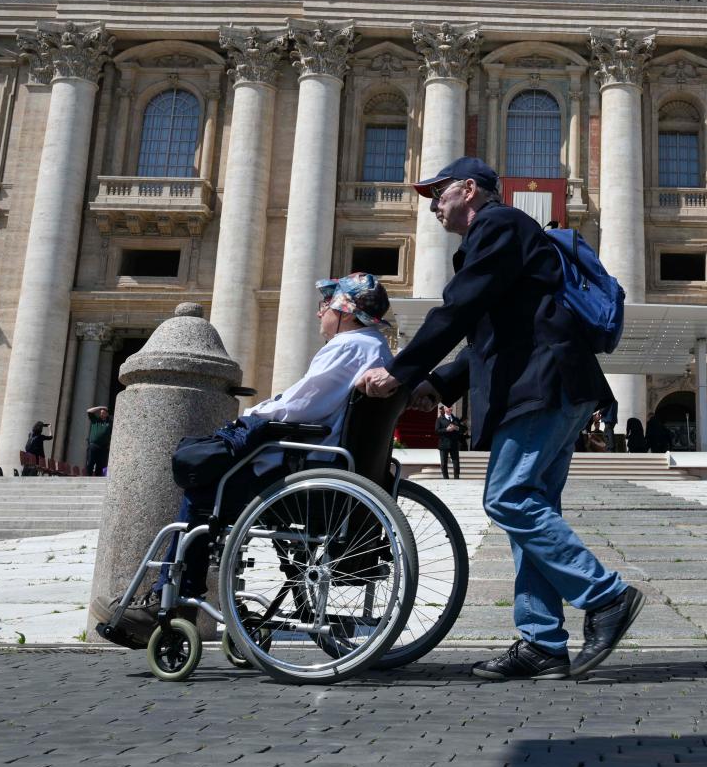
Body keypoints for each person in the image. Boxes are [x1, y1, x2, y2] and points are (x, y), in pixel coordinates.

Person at [354, 158, 642, 682]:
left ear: (469, 189)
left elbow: (457, 310)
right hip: (550, 383)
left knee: (506, 498)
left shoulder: (500, 225)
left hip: (544, 384)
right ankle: (542, 644)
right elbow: (491, 335)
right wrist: (436, 383)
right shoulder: (500, 237)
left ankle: (606, 596)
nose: (432, 203)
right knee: (528, 510)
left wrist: (399, 370)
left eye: (438, 192)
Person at [94, 273, 398, 647]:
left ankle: (172, 606)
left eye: (326, 304)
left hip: (305, 465)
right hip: (331, 467)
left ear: (345, 313)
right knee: (211, 485)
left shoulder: (349, 345)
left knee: (204, 490)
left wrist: (251, 419)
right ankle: (180, 597)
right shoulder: (374, 346)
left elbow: (302, 405)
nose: (319, 312)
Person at [434, 404, 464, 480]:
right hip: (443, 444)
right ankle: (446, 479)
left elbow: (461, 430)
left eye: (451, 407)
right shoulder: (440, 419)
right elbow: (437, 431)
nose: (450, 408)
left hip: (454, 444)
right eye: (448, 407)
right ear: (444, 408)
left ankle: (456, 478)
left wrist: (456, 428)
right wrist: (446, 430)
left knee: (456, 463)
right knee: (444, 463)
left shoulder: (456, 419)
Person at [84, 406, 112, 476]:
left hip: (104, 447)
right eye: (101, 413)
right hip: (93, 445)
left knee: (100, 465)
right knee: (90, 463)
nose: (102, 414)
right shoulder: (95, 420)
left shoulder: (110, 423)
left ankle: (97, 478)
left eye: (104, 413)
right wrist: (100, 407)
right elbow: (89, 411)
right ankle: (88, 478)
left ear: (107, 414)